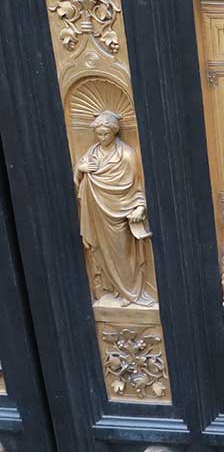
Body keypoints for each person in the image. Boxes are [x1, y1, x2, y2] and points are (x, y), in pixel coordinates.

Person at [75, 111, 153, 306]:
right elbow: (79, 177)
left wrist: (139, 207)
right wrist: (79, 170)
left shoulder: (126, 154)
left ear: (114, 132)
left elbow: (136, 187)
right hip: (97, 211)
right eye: (98, 134)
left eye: (105, 134)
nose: (102, 138)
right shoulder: (93, 152)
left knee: (123, 253)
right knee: (103, 251)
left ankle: (131, 292)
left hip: (121, 212)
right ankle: (114, 289)